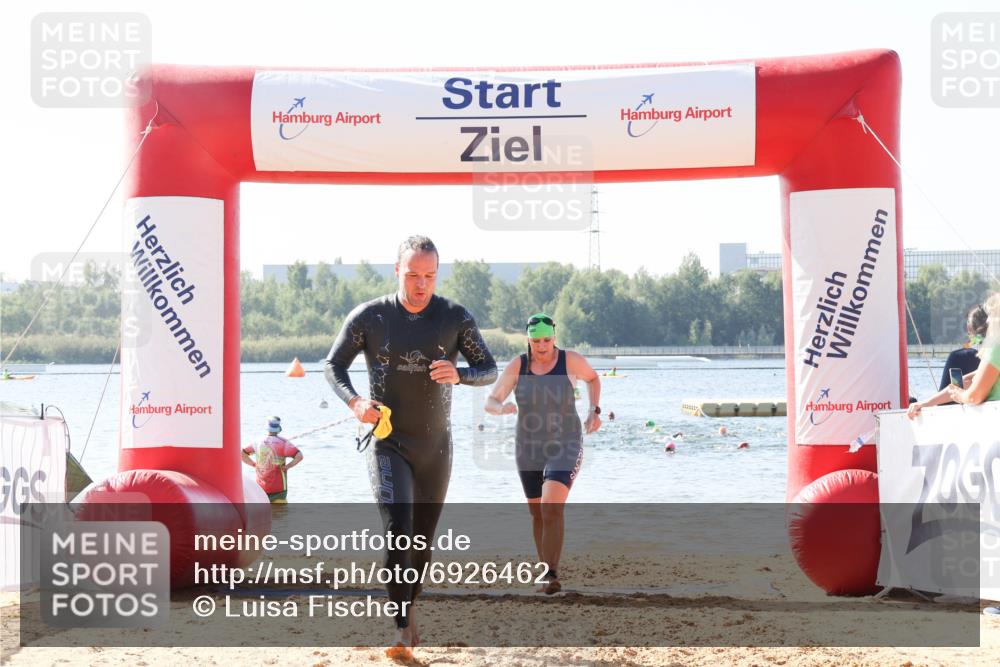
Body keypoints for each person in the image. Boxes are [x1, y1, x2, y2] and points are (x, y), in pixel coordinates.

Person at [324, 235, 497, 658]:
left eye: (430, 276)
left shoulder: (454, 317)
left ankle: (410, 606)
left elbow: (489, 368)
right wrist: (356, 402)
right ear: (396, 271)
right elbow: (333, 365)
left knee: (420, 542)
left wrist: (460, 376)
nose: (422, 285)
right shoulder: (370, 317)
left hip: (435, 448)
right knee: (399, 531)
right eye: (414, 275)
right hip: (388, 443)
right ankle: (401, 626)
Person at [484, 312, 601, 595]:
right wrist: (501, 408)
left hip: (566, 443)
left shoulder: (570, 361)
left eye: (547, 340)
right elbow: (491, 400)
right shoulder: (518, 365)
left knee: (551, 506)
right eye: (536, 341)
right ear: (529, 340)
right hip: (528, 448)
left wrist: (594, 410)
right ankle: (544, 570)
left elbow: (593, 378)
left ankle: (551, 574)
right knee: (537, 514)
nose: (542, 346)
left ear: (554, 338)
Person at [909, 292, 1000, 418]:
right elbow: (963, 381)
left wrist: (960, 395)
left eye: (992, 315)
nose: (988, 320)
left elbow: (974, 396)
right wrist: (925, 403)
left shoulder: (995, 349)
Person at [241, 417, 303, 503]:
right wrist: (288, 466)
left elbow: (242, 454)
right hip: (279, 488)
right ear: (279, 428)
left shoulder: (258, 441)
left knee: (263, 513)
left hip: (261, 487)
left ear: (267, 428)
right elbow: (299, 456)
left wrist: (254, 465)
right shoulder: (284, 443)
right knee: (280, 513)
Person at [936, 304, 988, 392]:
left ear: (969, 328)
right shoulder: (993, 354)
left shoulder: (959, 356)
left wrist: (924, 403)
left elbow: (952, 390)